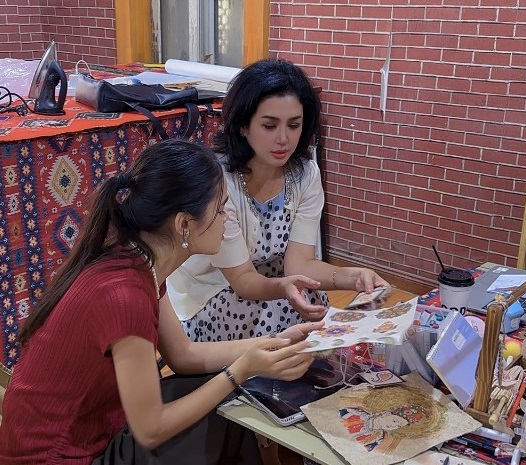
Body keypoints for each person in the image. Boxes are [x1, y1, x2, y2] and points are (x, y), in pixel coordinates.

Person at [0, 139, 322, 465]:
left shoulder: (140, 262)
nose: (227, 218)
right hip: (58, 457)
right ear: (184, 224)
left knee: (224, 399)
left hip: (91, 431)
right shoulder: (124, 295)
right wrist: (241, 370)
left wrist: (273, 343)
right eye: (220, 209)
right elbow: (151, 430)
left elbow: (183, 354)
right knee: (224, 404)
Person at [167, 58, 390, 344]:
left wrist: (355, 276)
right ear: (243, 126)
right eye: (269, 125)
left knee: (307, 295)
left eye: (294, 125)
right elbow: (243, 280)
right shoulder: (219, 182)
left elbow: (300, 264)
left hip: (272, 281)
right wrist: (286, 287)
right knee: (286, 307)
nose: (283, 139)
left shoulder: (305, 174)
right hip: (216, 292)